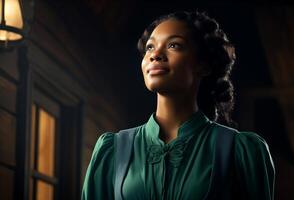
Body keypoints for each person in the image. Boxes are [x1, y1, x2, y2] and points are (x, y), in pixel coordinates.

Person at [81, 11, 275, 200]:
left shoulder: (240, 150)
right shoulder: (112, 149)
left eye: (174, 45)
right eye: (149, 47)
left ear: (204, 65)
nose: (155, 55)